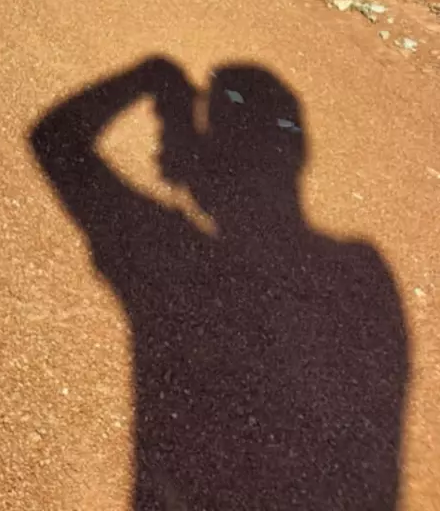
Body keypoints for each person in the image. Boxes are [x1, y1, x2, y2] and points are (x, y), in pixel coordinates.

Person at [30, 58, 408, 510]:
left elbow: (54, 138)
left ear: (199, 155)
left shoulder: (165, 253)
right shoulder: (362, 276)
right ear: (294, 156)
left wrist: (152, 75)